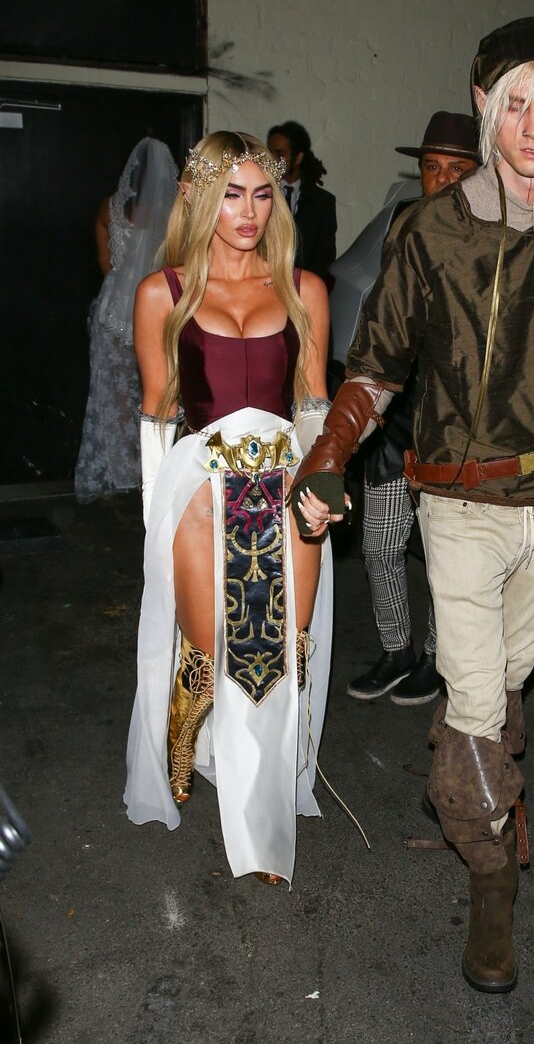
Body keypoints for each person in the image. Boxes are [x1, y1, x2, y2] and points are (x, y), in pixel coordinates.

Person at [289, 18, 534, 990]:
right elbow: (375, 367)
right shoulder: (429, 231)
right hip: (455, 507)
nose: (531, 128)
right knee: (480, 701)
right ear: (487, 108)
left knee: (502, 686)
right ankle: (490, 877)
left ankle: (472, 775)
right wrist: (328, 457)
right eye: (514, 106)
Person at [123, 131, 337, 886]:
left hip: (285, 481)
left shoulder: (304, 289)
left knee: (283, 653)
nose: (248, 212)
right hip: (198, 487)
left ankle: (264, 819)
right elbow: (157, 415)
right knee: (211, 650)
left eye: (262, 194)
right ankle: (187, 741)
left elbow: (314, 406)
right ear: (198, 199)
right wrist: (156, 521)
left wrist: (322, 482)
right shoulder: (163, 293)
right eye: (231, 195)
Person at [348, 112, 479, 706]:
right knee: (380, 544)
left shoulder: (496, 237)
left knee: (445, 557)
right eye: (432, 168)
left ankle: (435, 657)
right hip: (398, 411)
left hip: (456, 424)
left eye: (458, 169)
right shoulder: (404, 223)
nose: (443, 180)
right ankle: (396, 648)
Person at [75, 137, 178, 502]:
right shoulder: (172, 214)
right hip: (158, 305)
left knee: (115, 392)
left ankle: (122, 469)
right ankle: (155, 467)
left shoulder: (109, 208)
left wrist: (121, 289)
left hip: (114, 305)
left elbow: (104, 262)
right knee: (158, 388)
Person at [267, 121, 337, 283]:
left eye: (279, 154)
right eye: (269, 153)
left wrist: (305, 286)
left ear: (298, 158)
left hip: (305, 287)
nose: (272, 159)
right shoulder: (261, 194)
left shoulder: (322, 202)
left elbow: (324, 257)